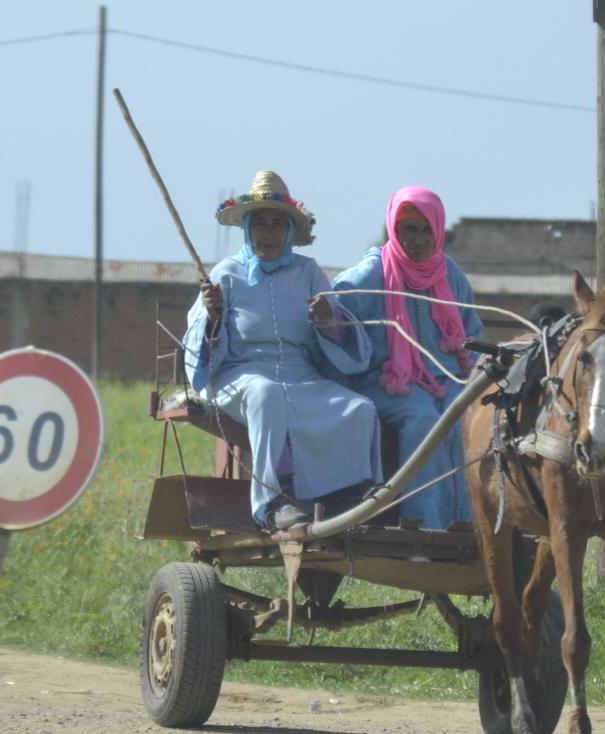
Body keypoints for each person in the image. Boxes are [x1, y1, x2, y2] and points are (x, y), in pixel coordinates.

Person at [183, 170, 381, 531]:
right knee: (266, 394)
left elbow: (338, 332)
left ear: (290, 230)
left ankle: (350, 497)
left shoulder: (309, 272)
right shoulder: (225, 275)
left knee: (360, 407)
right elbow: (200, 349)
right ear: (248, 229)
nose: (269, 233)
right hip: (238, 375)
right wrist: (214, 317)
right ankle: (273, 502)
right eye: (260, 224)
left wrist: (327, 319)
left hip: (301, 375)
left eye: (278, 224)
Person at [331, 186, 483, 529]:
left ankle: (473, 525)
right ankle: (426, 526)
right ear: (392, 231)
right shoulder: (371, 274)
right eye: (408, 229)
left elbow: (472, 332)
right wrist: (330, 319)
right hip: (388, 384)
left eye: (426, 229)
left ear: (439, 230)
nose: (418, 239)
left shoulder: (449, 273)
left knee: (474, 418)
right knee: (423, 422)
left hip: (447, 381)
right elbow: (337, 315)